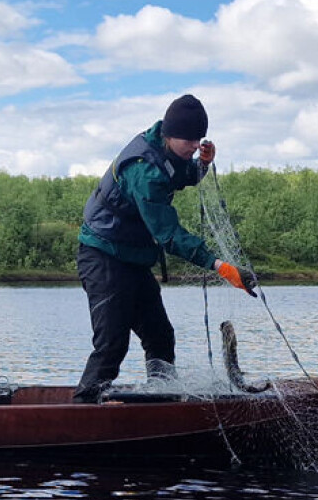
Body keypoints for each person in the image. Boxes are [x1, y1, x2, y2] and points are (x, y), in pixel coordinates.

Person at [74, 94, 256, 403]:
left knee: (160, 335)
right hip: (102, 256)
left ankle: (162, 401)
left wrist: (202, 164)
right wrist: (219, 266)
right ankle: (83, 407)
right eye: (188, 140)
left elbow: (182, 174)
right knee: (112, 344)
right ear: (169, 134)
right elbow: (169, 235)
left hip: (133, 259)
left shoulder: (167, 150)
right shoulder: (144, 170)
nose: (193, 145)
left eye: (198, 139)